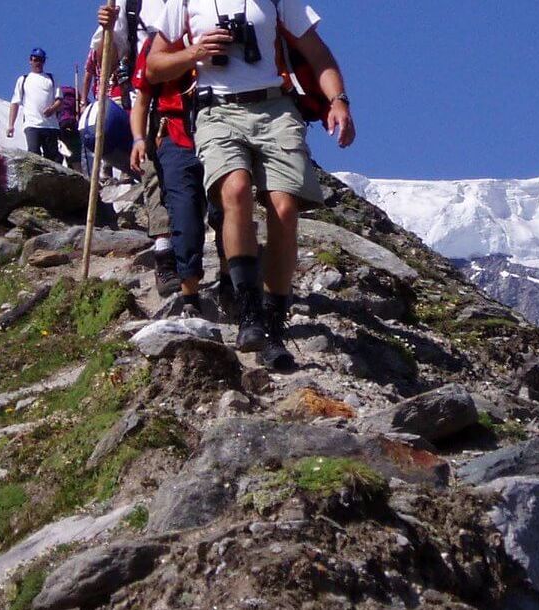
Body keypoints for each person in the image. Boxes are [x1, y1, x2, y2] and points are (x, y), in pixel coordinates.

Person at [145, 0, 356, 369]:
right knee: (236, 191)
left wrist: (338, 101)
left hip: (275, 109)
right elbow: (153, 66)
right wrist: (195, 53)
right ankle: (249, 313)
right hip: (216, 109)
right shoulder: (183, 2)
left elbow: (319, 54)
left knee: (285, 209)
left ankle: (275, 322)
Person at [101, 1, 220, 311]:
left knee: (206, 195)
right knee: (164, 188)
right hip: (160, 108)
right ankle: (168, 259)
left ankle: (213, 265)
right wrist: (107, 30)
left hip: (204, 107)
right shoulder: (132, 6)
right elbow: (108, 57)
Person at [6, 48, 68, 165]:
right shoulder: (23, 80)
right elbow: (15, 102)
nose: (38, 63)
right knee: (33, 154)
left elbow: (59, 100)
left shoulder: (52, 79)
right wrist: (11, 125)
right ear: (30, 60)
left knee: (53, 158)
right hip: (32, 124)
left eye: (41, 60)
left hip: (50, 126)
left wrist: (52, 109)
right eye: (35, 60)